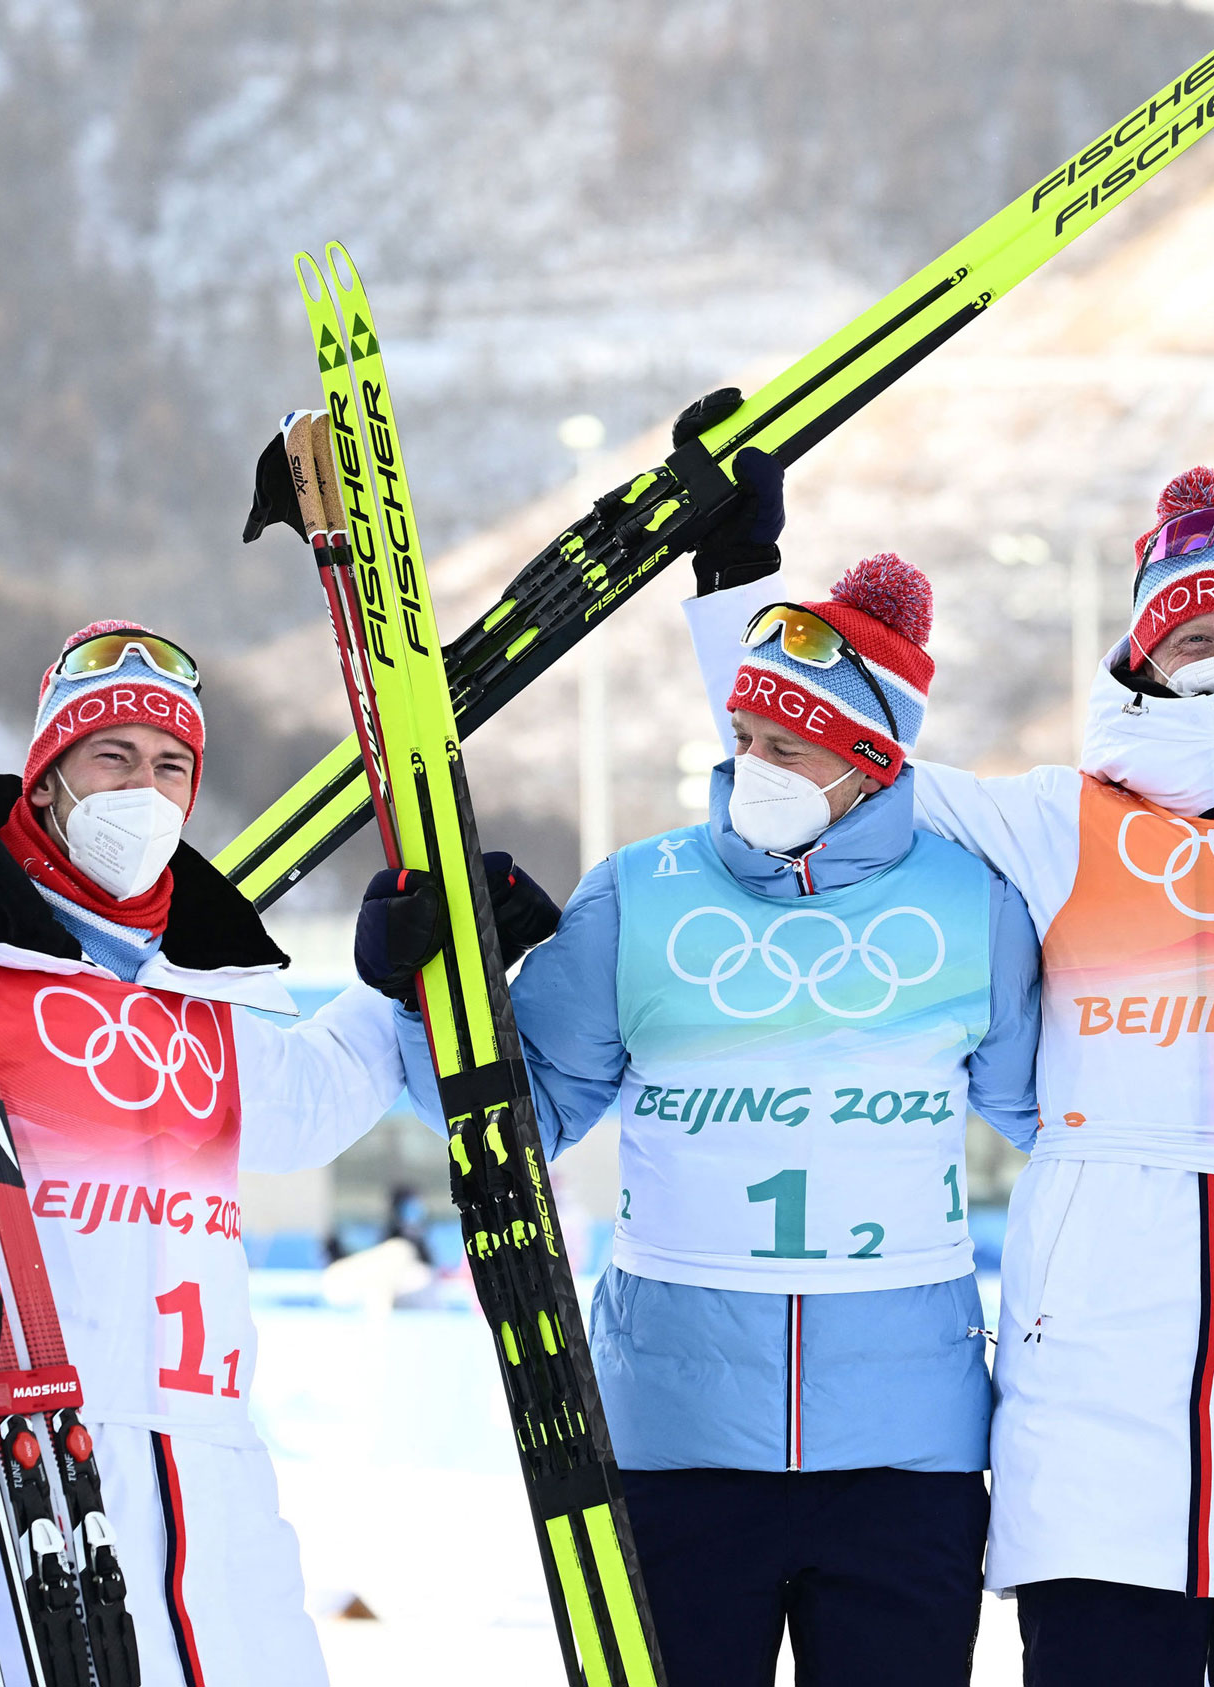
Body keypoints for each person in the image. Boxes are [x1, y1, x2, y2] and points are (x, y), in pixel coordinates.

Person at [685, 459, 1214, 1687]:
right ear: (1141, 655)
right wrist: (737, 600)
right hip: (1102, 1374)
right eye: (1191, 632)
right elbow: (837, 769)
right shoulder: (1060, 819)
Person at [0, 622, 440, 1687]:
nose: (144, 786)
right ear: (48, 778)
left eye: (171, 764)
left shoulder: (205, 994)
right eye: (114, 756)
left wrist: (390, 985)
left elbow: (311, 1105)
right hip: (13, 1497)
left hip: (220, 1514)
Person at [367, 548, 1042, 1687]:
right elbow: (516, 1116)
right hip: (668, 1440)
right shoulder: (641, 891)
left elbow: (1062, 1119)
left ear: (867, 762)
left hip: (905, 1452)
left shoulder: (971, 906)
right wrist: (422, 995)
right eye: (746, 740)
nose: (754, 766)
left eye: (788, 747)